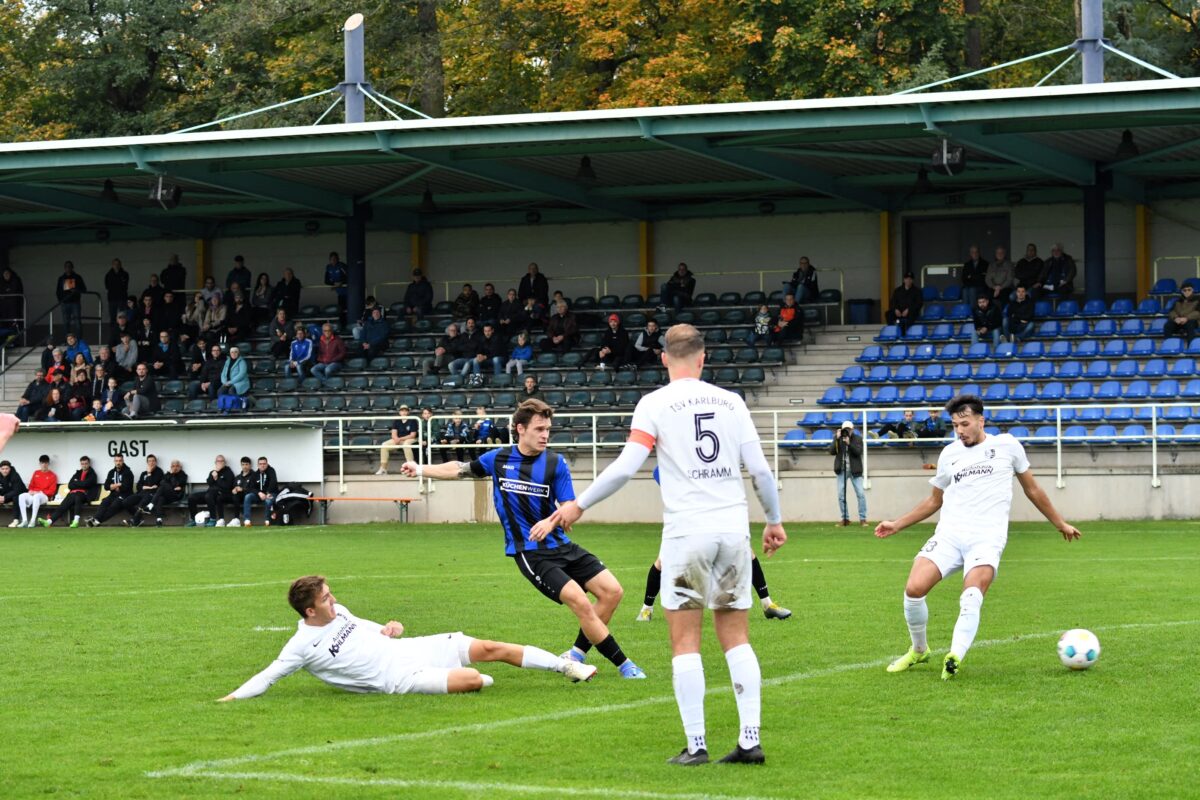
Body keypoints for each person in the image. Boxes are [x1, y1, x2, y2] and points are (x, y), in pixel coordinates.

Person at [530, 324, 785, 765]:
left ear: (664, 358)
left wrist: (578, 505)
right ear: (703, 359)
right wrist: (774, 521)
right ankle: (749, 740)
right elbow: (760, 472)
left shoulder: (655, 403)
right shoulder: (732, 402)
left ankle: (697, 745)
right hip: (733, 530)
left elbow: (627, 467)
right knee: (737, 637)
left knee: (685, 641)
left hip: (688, 533)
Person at [400, 399, 645, 681]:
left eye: (548, 429)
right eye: (539, 429)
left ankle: (576, 653)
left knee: (613, 591)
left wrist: (552, 520)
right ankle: (625, 665)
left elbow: (569, 508)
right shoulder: (498, 459)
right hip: (530, 551)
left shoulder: (555, 463)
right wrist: (419, 469)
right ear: (520, 429)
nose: (545, 435)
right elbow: (459, 469)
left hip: (560, 544)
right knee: (580, 601)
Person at [875, 394, 1082, 680]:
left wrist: (1059, 523)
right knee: (913, 591)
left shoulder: (1007, 445)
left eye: (965, 423)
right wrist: (898, 524)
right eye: (955, 425)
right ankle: (919, 650)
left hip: (986, 539)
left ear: (980, 421)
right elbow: (934, 501)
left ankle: (955, 656)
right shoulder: (949, 454)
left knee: (971, 596)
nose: (959, 431)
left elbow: (1032, 490)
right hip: (949, 535)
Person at [219, 575, 597, 701]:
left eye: (331, 593)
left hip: (410, 648)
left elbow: (368, 626)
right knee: (475, 680)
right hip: (399, 679)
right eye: (326, 599)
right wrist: (232, 697)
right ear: (309, 612)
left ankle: (565, 665)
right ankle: (482, 677)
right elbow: (267, 676)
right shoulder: (300, 646)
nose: (333, 600)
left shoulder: (341, 611)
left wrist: (389, 627)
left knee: (488, 648)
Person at [637, 554, 791, 622]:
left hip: (716, 517)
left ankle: (767, 605)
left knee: (747, 552)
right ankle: (646, 609)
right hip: (687, 517)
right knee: (662, 561)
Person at [39, 455, 98, 528]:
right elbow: (70, 485)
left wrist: (76, 482)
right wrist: (80, 483)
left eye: (86, 463)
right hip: (74, 494)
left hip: (86, 495)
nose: (84, 465)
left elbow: (86, 484)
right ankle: (49, 521)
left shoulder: (92, 474)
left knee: (78, 496)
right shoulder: (78, 473)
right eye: (82, 464)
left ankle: (76, 521)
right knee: (64, 504)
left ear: (89, 464)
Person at [130, 459, 187, 527]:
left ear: (180, 467)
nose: (175, 468)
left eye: (177, 466)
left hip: (176, 496)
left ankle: (150, 505)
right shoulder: (168, 474)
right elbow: (162, 482)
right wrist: (171, 483)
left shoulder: (183, 475)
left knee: (162, 487)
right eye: (173, 466)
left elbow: (176, 483)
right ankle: (159, 520)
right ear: (171, 467)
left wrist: (171, 477)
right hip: (167, 496)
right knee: (160, 498)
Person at [831, 420, 867, 527]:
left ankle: (863, 519)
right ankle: (845, 518)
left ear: (852, 429)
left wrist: (849, 444)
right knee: (841, 495)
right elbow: (831, 451)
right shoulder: (838, 438)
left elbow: (858, 452)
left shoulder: (858, 439)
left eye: (849, 429)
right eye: (845, 429)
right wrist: (837, 440)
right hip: (841, 470)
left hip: (855, 470)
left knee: (860, 494)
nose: (847, 431)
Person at [85, 455, 135, 527]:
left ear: (123, 461)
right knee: (104, 501)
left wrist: (113, 486)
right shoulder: (111, 472)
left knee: (115, 505)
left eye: (120, 461)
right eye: (116, 461)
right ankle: (96, 519)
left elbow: (126, 487)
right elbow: (106, 486)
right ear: (114, 461)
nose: (118, 463)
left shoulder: (128, 472)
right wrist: (118, 485)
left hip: (125, 495)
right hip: (113, 494)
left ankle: (97, 521)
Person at [186, 455, 235, 527]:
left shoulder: (228, 472)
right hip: (210, 492)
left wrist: (217, 478)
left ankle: (213, 519)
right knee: (192, 497)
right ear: (215, 463)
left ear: (225, 462)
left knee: (209, 495)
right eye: (218, 461)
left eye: (222, 461)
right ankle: (193, 519)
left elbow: (227, 486)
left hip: (221, 494)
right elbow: (209, 482)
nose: (220, 463)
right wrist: (214, 474)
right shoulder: (213, 472)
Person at [116, 455, 164, 527]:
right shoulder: (143, 473)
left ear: (156, 462)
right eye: (149, 461)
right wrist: (145, 487)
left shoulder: (159, 472)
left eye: (153, 461)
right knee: (125, 502)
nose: (151, 463)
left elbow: (153, 484)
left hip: (152, 495)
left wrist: (149, 473)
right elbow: (139, 486)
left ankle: (134, 520)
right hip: (141, 493)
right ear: (147, 462)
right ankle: (138, 519)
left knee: (142, 502)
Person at [376, 405, 420, 476]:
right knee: (384, 445)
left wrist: (400, 439)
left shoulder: (412, 420)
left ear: (408, 412)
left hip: (410, 439)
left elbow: (412, 435)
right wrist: (396, 439)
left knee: (406, 444)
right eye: (402, 411)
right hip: (399, 439)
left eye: (406, 411)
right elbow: (393, 433)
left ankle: (411, 467)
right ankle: (383, 468)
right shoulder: (397, 421)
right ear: (399, 412)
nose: (404, 412)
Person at [17, 454, 57, 528]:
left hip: (44, 497)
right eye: (42, 463)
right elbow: (31, 486)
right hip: (34, 494)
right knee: (21, 496)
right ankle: (24, 520)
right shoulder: (36, 473)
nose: (44, 465)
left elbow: (52, 491)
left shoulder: (52, 475)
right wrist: (30, 491)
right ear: (40, 464)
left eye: (46, 463)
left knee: (37, 496)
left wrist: (38, 492)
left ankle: (32, 521)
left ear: (48, 464)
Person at [242, 456, 278, 526]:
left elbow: (273, 483)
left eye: (264, 463)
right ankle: (247, 520)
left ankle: (267, 520)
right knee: (248, 497)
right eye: (260, 464)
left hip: (270, 493)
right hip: (259, 495)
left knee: (268, 501)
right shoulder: (255, 474)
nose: (262, 465)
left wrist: (268, 493)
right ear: (258, 465)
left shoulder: (271, 471)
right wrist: (259, 493)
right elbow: (251, 487)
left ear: (267, 464)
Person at [56, 261, 87, 336]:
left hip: (75, 302)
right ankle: (67, 340)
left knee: (77, 322)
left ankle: (79, 340)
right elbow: (58, 291)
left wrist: (76, 290)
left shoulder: (77, 277)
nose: (68, 268)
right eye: (66, 266)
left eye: (69, 266)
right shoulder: (61, 278)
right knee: (66, 323)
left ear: (72, 267)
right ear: (64, 268)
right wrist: (61, 301)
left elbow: (84, 289)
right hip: (65, 303)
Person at [103, 258, 130, 325]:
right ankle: (113, 332)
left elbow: (125, 286)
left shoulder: (125, 274)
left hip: (122, 298)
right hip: (112, 298)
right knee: (113, 316)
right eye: (115, 264)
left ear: (120, 265)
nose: (116, 266)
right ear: (112, 265)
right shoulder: (108, 275)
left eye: (118, 264)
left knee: (122, 316)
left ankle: (123, 332)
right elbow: (107, 286)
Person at [1, 459, 27, 524]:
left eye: (6, 469)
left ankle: (16, 520)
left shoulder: (15, 475)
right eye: (3, 469)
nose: (5, 471)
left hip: (20, 494)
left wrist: (4, 497)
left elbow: (17, 490)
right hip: (6, 495)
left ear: (10, 468)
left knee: (16, 497)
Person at [324, 252, 348, 321]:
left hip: (348, 292)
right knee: (341, 310)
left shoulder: (342, 265)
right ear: (329, 260)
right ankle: (343, 324)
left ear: (338, 259)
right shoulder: (328, 267)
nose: (333, 261)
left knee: (349, 309)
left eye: (335, 259)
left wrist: (341, 283)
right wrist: (335, 284)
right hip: (340, 293)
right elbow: (326, 281)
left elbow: (349, 276)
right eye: (331, 259)